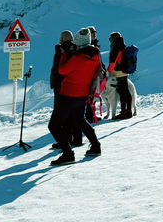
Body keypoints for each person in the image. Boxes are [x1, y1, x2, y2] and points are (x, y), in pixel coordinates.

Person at [48, 27, 102, 164]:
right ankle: (95, 146)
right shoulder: (95, 55)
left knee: (54, 125)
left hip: (69, 95)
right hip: (82, 94)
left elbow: (62, 70)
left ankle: (68, 153)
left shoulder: (77, 58)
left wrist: (65, 53)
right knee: (80, 120)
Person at [49, 30, 83, 148]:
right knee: (74, 113)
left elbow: (56, 69)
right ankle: (77, 138)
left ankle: (65, 140)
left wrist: (53, 83)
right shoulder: (76, 49)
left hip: (61, 85)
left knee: (61, 114)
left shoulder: (60, 51)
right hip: (74, 84)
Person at [108, 31, 132, 120]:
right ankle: (129, 111)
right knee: (126, 92)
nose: (109, 40)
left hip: (118, 73)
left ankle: (123, 112)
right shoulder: (123, 46)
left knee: (122, 92)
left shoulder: (115, 48)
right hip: (125, 72)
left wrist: (109, 71)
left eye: (110, 38)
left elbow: (112, 63)